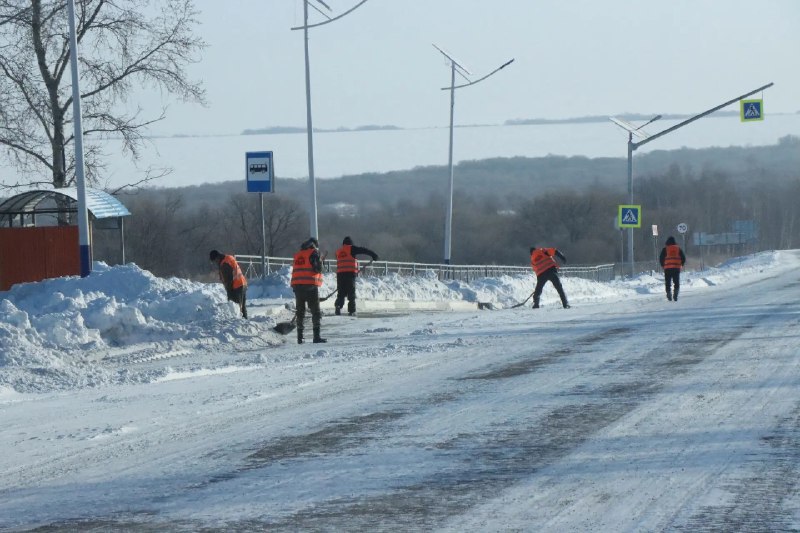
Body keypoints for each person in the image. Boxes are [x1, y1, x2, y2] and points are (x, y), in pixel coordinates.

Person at [291, 237, 326, 344]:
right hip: (310, 286)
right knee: (315, 312)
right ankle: (316, 337)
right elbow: (317, 269)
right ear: (314, 245)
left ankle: (300, 338)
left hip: (297, 286)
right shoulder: (314, 253)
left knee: (300, 312)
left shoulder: (298, 255)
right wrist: (320, 261)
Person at [334, 236, 378, 316]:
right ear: (351, 244)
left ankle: (338, 306)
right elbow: (364, 250)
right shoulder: (352, 248)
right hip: (350, 275)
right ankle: (352, 311)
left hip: (340, 275)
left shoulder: (338, 251)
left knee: (341, 293)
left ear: (343, 244)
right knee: (351, 293)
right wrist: (373, 255)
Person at [209, 250, 248, 318]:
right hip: (242, 283)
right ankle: (245, 323)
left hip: (236, 287)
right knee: (242, 308)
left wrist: (229, 292)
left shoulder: (224, 264)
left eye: (215, 261)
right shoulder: (229, 258)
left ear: (217, 258)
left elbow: (229, 280)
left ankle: (240, 324)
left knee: (236, 308)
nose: (215, 263)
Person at [659, 235, 686, 301]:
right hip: (676, 268)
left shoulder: (665, 249)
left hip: (667, 269)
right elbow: (683, 258)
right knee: (676, 282)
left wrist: (663, 265)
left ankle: (669, 294)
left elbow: (661, 258)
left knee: (668, 282)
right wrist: (681, 264)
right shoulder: (678, 249)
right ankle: (675, 295)